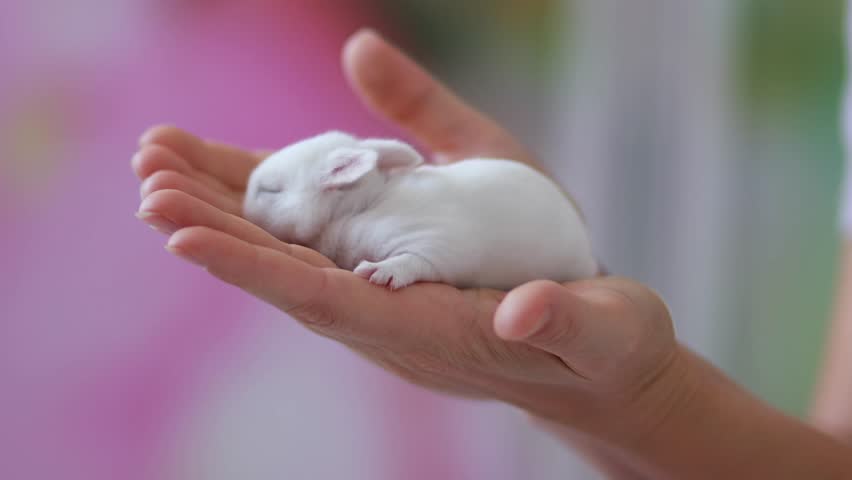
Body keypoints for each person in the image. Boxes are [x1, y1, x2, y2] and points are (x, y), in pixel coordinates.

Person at [132, 29, 852, 478]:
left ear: (341, 181)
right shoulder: (379, 196)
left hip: (536, 236)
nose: (263, 207)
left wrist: (642, 395)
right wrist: (611, 403)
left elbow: (434, 247)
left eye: (274, 191)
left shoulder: (392, 215)